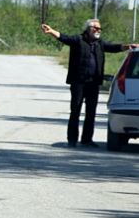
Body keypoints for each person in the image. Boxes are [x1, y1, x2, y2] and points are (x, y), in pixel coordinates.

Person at [41, 19, 137, 147]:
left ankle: (87, 140)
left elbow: (113, 47)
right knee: (75, 111)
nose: (98, 31)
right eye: (95, 28)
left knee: (91, 112)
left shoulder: (100, 43)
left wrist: (127, 46)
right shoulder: (78, 40)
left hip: (93, 83)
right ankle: (72, 140)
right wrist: (51, 31)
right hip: (78, 82)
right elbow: (64, 38)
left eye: (99, 29)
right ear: (88, 29)